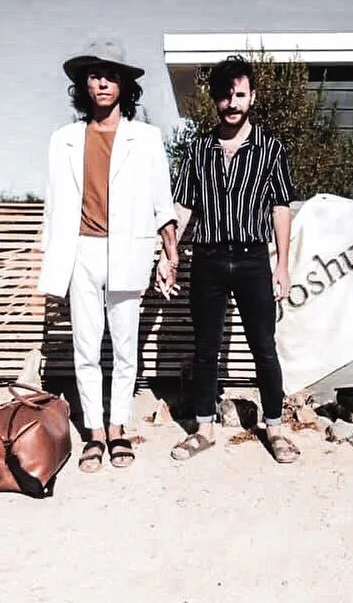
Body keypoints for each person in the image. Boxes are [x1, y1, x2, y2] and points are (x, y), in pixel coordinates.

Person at [37, 40, 178, 473]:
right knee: (85, 346)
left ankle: (119, 428)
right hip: (80, 252)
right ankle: (94, 433)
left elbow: (162, 202)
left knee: (124, 347)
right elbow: (53, 203)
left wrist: (169, 254)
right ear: (84, 83)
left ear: (124, 85)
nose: (102, 82)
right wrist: (47, 262)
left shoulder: (146, 138)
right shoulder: (63, 139)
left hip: (129, 252)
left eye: (111, 75)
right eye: (94, 74)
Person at [157, 54, 299, 464]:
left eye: (239, 94)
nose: (232, 103)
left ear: (252, 97)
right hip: (208, 260)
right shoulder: (198, 149)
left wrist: (282, 265)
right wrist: (168, 255)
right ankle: (203, 429)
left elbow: (281, 209)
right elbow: (182, 207)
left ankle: (275, 428)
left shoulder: (271, 148)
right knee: (205, 350)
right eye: (224, 95)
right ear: (215, 100)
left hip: (253, 260)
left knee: (264, 348)